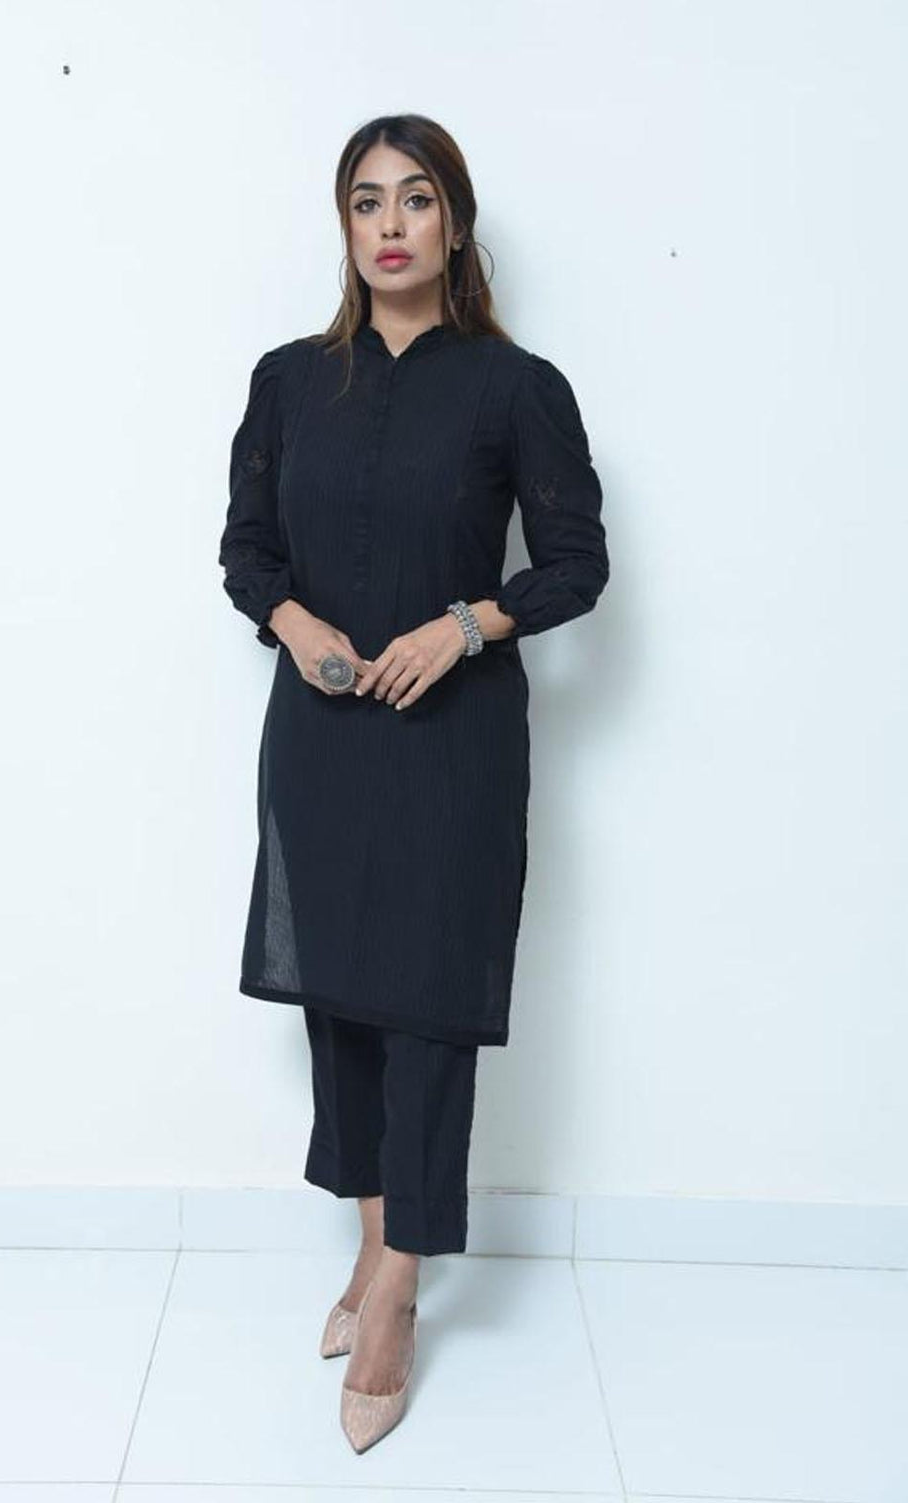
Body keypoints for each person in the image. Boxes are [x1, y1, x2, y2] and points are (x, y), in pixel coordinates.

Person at [218, 113, 609, 1452]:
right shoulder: (287, 381)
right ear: (345, 228)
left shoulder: (515, 389)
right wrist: (295, 627)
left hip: (454, 738)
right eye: (367, 202)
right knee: (339, 990)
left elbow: (575, 565)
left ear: (456, 222)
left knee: (430, 999)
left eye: (418, 198)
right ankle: (374, 1236)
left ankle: (397, 1287)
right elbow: (246, 551)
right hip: (320, 736)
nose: (391, 225)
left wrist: (464, 627)